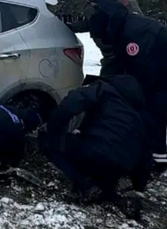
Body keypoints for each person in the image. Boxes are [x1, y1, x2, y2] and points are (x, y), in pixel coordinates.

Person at [78, 0, 167, 174]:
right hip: (149, 64)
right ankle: (150, 156)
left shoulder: (133, 33)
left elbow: (142, 70)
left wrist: (134, 91)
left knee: (153, 113)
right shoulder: (114, 21)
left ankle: (154, 161)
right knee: (143, 109)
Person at [38, 74, 153, 218]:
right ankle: (114, 190)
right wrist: (139, 185)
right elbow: (146, 154)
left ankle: (87, 185)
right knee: (106, 169)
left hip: (97, 151)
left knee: (48, 142)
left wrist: (54, 128)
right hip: (124, 163)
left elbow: (72, 102)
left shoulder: (103, 89)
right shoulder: (140, 112)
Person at [66, 0, 145, 76]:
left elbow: (135, 22)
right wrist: (68, 27)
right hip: (109, 55)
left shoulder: (119, 2)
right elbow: (91, 23)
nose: (91, 0)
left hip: (126, 54)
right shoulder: (92, 8)